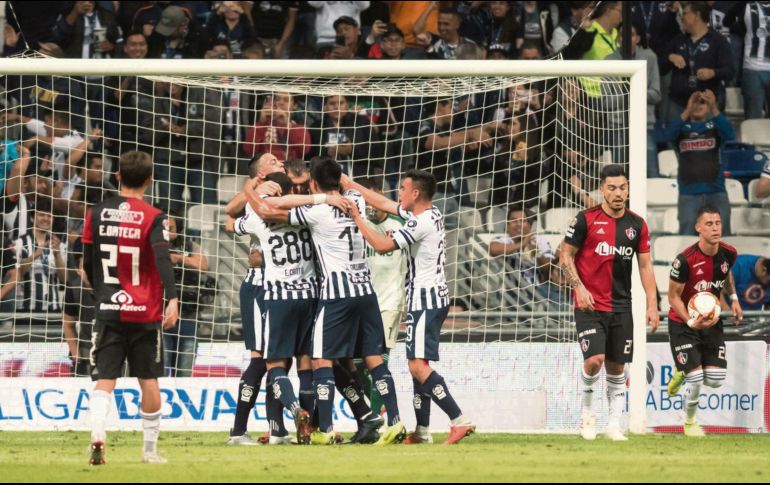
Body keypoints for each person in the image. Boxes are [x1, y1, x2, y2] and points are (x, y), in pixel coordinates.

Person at [246, 157, 404, 445]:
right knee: (372, 357)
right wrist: (345, 184)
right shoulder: (354, 197)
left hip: (335, 296)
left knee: (320, 360)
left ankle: (325, 429)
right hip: (365, 291)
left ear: (314, 184)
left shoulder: (316, 210)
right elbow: (354, 189)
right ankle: (393, 420)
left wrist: (250, 187)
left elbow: (268, 208)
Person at [343, 169, 476, 445]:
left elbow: (381, 245)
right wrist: (351, 184)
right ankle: (423, 431)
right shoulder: (429, 214)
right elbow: (383, 204)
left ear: (415, 193)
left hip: (425, 298)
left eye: (402, 188)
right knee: (419, 365)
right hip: (432, 296)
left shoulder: (419, 223)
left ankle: (459, 420)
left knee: (416, 366)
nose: (398, 193)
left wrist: (357, 216)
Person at [82, 150, 179, 465]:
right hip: (145, 311)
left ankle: (98, 435)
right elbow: (163, 259)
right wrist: (173, 298)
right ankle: (149, 451)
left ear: (117, 175)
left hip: (108, 308)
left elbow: (86, 262)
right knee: (148, 378)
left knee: (105, 378)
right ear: (150, 181)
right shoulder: (154, 216)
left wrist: (101, 293)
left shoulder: (95, 213)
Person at [559, 164, 659, 441]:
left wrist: (652, 303)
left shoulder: (637, 224)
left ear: (628, 189)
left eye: (622, 187)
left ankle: (614, 424)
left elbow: (646, 266)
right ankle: (587, 416)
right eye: (612, 188)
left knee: (617, 367)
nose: (618, 193)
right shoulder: (584, 219)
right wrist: (578, 288)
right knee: (594, 361)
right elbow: (565, 256)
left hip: (622, 306)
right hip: (589, 305)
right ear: (602, 189)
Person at [666, 204, 743, 437]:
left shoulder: (729, 253)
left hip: (711, 321)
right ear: (698, 228)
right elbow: (672, 296)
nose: (715, 228)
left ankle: (681, 369)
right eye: (709, 224)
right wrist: (690, 321)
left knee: (716, 380)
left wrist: (734, 297)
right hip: (683, 324)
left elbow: (725, 274)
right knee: (696, 379)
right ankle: (690, 422)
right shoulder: (684, 260)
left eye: (718, 223)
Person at [223, 154, 280, 446]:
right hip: (260, 287)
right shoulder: (258, 203)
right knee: (261, 360)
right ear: (260, 172)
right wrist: (254, 189)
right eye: (272, 160)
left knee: (281, 362)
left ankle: (276, 430)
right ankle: (237, 430)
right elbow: (230, 215)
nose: (279, 161)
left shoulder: (292, 192)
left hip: (290, 289)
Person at [354, 177, 406, 416]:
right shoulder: (358, 225)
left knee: (379, 362)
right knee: (355, 364)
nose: (369, 206)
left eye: (372, 200)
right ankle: (380, 407)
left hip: (389, 303)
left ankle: (378, 421)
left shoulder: (401, 223)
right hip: (361, 304)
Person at [660, 89, 735, 235]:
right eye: (695, 102)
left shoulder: (716, 127)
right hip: (688, 194)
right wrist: (687, 110)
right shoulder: (681, 129)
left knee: (722, 239)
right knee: (687, 239)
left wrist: (714, 108)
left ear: (708, 107)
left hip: (716, 192)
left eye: (703, 103)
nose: (698, 105)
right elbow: (666, 135)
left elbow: (730, 134)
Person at [664, 1, 734, 121]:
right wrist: (670, 57)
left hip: (705, 106)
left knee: (706, 139)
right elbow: (661, 68)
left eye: (685, 13)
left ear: (697, 15)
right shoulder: (677, 40)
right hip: (677, 105)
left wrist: (713, 73)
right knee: (672, 139)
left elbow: (730, 71)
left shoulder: (718, 41)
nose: (682, 17)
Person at [0, 197, 66, 313]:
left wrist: (57, 256)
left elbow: (64, 280)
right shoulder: (18, 243)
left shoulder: (60, 245)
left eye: (49, 216)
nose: (46, 218)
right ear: (32, 218)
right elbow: (18, 274)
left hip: (53, 310)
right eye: (41, 215)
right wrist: (34, 255)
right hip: (25, 309)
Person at [163, 214, 209, 378]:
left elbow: (203, 265)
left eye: (171, 229)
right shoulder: (152, 245)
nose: (167, 232)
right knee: (162, 367)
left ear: (179, 228)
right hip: (161, 316)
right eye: (164, 228)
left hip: (189, 315)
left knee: (185, 371)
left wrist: (177, 258)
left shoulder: (190, 245)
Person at [489, 207, 554, 287]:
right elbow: (493, 250)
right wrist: (523, 243)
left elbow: (550, 267)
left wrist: (537, 253)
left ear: (529, 225)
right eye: (514, 221)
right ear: (507, 226)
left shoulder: (540, 240)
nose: (519, 224)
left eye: (523, 221)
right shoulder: (503, 239)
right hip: (513, 293)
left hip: (539, 292)